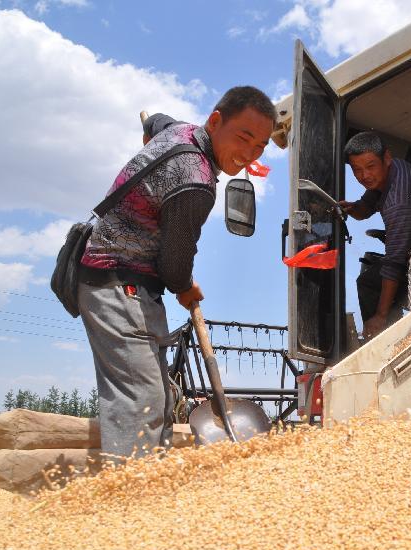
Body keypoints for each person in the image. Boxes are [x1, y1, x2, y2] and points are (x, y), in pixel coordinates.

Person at [78, 86, 275, 462]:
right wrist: (185, 287)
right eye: (243, 138)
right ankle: (124, 493)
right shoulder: (197, 182)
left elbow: (155, 121)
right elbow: (173, 264)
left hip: (129, 280)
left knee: (161, 394)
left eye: (260, 147)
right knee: (141, 396)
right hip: (113, 279)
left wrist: (151, 136)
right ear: (215, 122)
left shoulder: (179, 131)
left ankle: (155, 483)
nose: (249, 154)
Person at [338, 132, 411, 339]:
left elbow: (394, 263)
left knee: (368, 282)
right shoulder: (392, 170)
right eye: (357, 170)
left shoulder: (398, 202)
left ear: (386, 158)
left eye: (370, 166)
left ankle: (385, 337)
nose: (364, 176)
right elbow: (366, 207)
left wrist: (380, 315)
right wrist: (352, 208)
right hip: (410, 244)